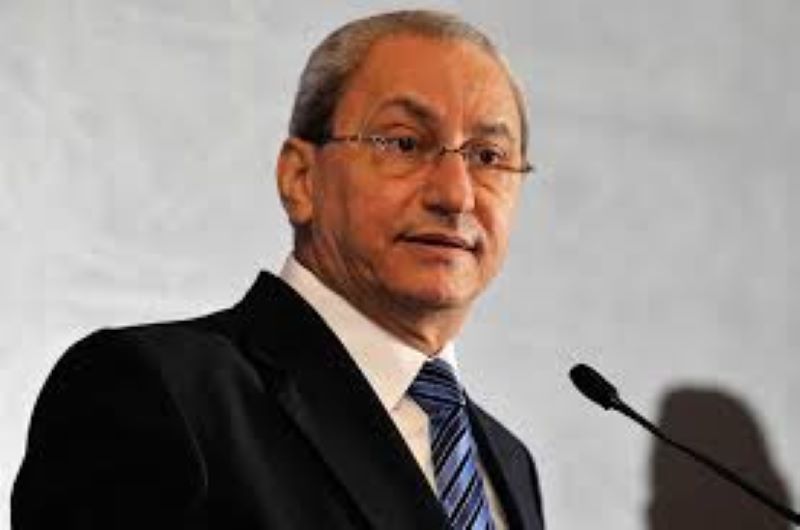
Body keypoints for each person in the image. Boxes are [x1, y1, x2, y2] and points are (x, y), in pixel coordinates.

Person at [12, 9, 544, 530]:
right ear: (300, 179)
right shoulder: (158, 392)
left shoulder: (507, 461)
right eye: (405, 143)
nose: (456, 194)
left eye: (488, 156)